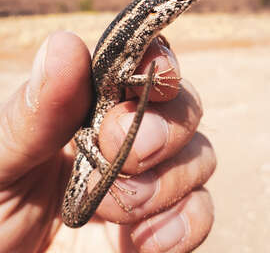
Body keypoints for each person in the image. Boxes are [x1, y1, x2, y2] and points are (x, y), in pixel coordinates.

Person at [0, 31, 216, 253]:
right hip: (88, 136)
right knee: (92, 146)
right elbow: (120, 79)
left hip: (92, 139)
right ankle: (107, 169)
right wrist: (150, 79)